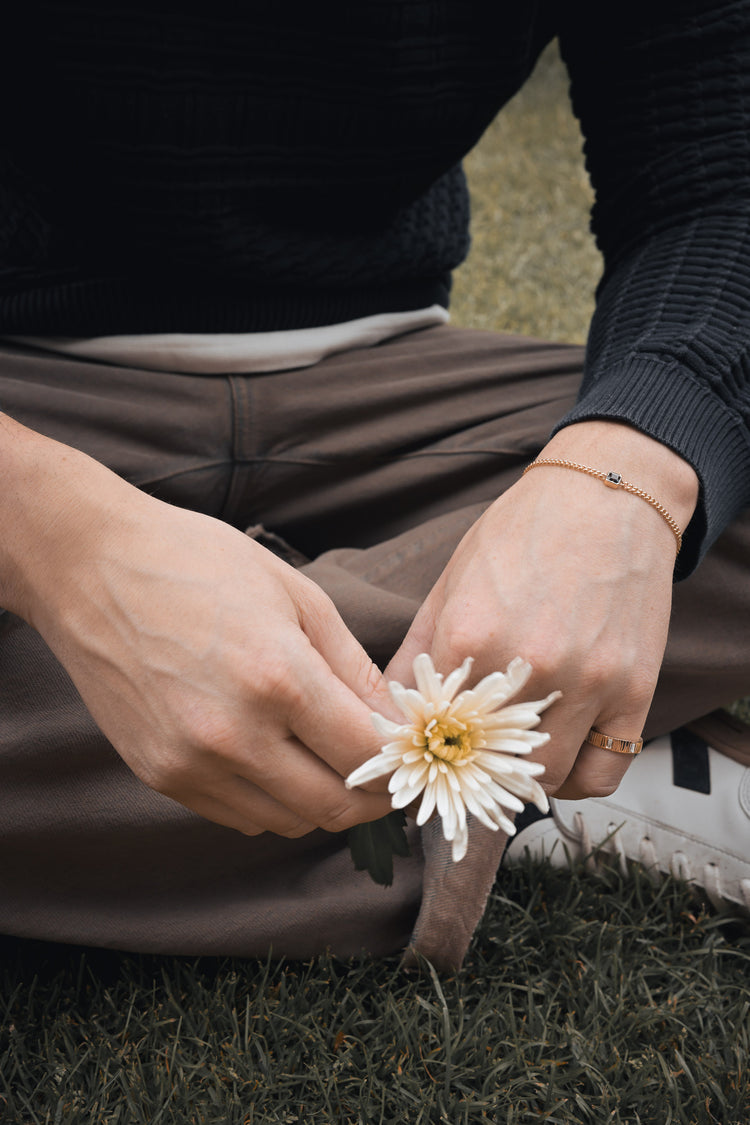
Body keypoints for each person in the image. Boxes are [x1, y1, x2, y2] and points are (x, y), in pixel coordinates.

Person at [1, 1, 748, 969]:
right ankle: (511, 783)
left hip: (398, 380)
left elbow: (717, 173)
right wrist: (56, 542)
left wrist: (625, 479)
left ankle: (214, 766)